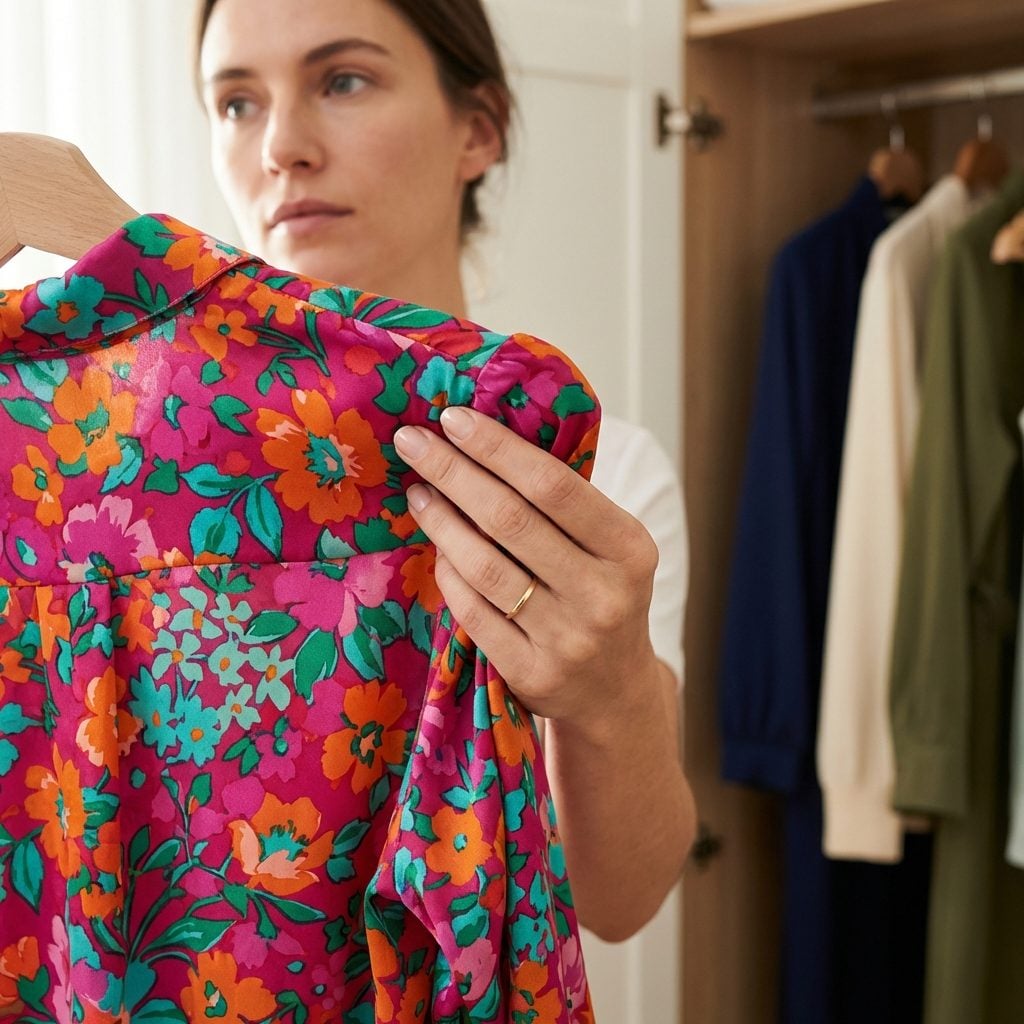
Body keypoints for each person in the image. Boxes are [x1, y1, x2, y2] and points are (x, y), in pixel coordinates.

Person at [196, 0, 696, 942]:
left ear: (478, 130)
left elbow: (618, 904)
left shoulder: (602, 478)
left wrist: (616, 696)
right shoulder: (149, 481)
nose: (281, 147)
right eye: (236, 103)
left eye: (342, 80)